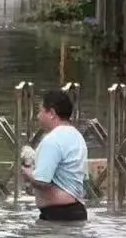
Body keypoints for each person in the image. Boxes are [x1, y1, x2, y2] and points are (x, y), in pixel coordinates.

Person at [22, 89, 89, 221]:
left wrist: (27, 173)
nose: (38, 116)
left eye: (40, 111)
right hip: (76, 210)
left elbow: (42, 181)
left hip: (58, 214)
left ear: (52, 113)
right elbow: (85, 179)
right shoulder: (77, 136)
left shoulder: (52, 140)